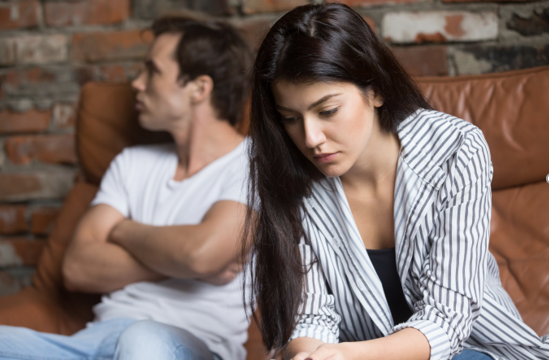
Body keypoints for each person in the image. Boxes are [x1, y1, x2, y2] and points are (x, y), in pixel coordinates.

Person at [243, 3, 549, 360]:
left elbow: (447, 321)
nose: (310, 138)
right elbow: (309, 318)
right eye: (290, 118)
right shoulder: (291, 175)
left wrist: (345, 356)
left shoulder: (455, 148)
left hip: (473, 351)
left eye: (327, 111)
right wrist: (312, 357)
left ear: (375, 90)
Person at [0, 16, 253, 360]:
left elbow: (200, 254)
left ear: (199, 88)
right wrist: (182, 261)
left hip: (188, 345)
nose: (137, 83)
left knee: (142, 340)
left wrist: (121, 230)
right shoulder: (131, 162)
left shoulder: (253, 164)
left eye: (152, 71)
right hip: (95, 341)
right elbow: (76, 268)